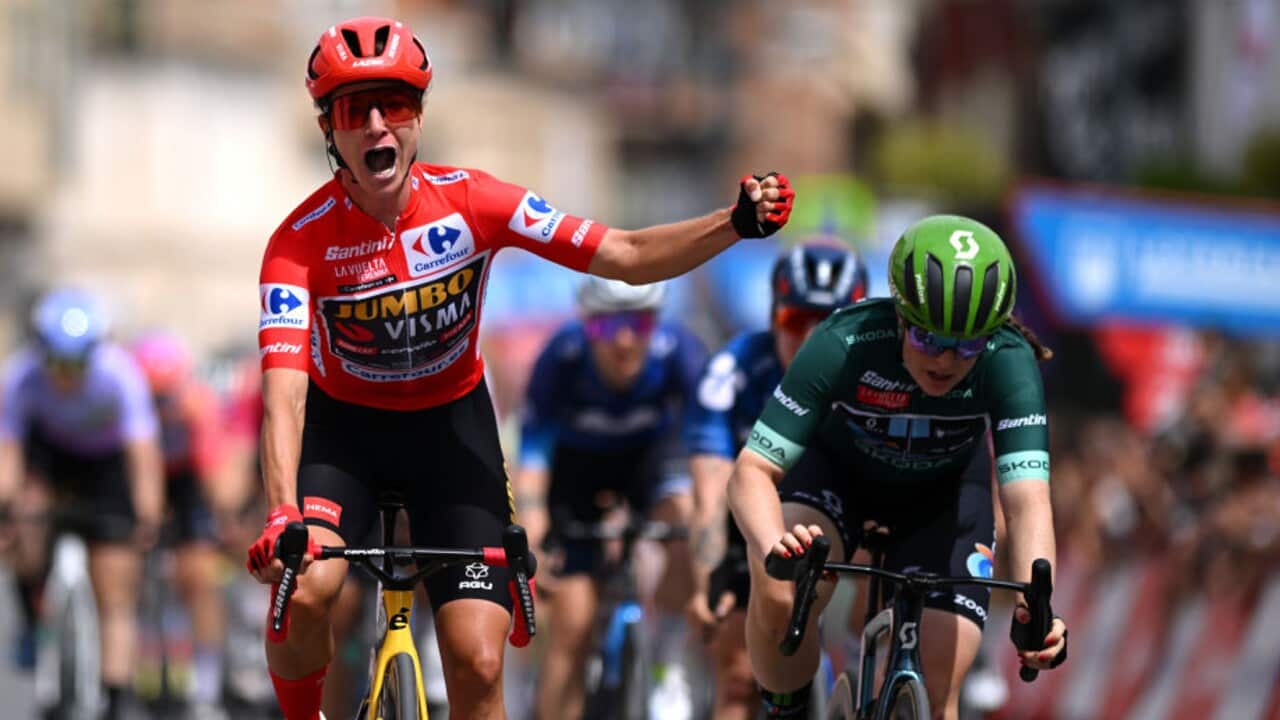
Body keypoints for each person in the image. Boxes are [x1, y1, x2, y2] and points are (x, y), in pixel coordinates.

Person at [244, 16, 793, 720]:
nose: (379, 126)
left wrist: (734, 223)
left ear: (419, 117)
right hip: (342, 437)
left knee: (477, 660)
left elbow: (624, 255)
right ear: (329, 129)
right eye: (356, 111)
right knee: (307, 590)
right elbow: (285, 395)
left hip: (450, 435)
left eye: (396, 105)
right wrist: (281, 511)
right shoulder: (297, 244)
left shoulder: (475, 202)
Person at [726, 216, 1068, 720]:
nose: (945, 361)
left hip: (944, 497)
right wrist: (770, 543)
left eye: (967, 345)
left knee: (940, 683)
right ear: (901, 316)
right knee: (783, 593)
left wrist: (1036, 604)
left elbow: (1027, 501)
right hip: (838, 478)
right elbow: (751, 472)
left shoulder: (1009, 361)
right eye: (929, 339)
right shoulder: (845, 340)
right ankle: (788, 712)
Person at [685, 241, 867, 719]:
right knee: (738, 678)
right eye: (795, 319)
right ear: (772, 316)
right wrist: (705, 581)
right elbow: (711, 490)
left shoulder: (878, 372)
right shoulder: (732, 371)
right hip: (756, 529)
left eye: (829, 322)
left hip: (850, 514)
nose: (810, 337)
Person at [514, 277, 704, 720]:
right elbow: (533, 450)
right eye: (607, 327)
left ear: (656, 323)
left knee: (684, 522)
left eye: (639, 324)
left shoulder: (681, 352)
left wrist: (702, 522)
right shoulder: (562, 355)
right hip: (576, 472)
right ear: (587, 325)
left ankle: (667, 658)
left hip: (650, 462)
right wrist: (534, 520)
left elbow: (705, 450)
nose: (624, 341)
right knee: (573, 624)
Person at [0, 288, 165, 720]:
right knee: (26, 514)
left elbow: (142, 453)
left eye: (76, 364)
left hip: (106, 464)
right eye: (56, 363)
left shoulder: (121, 375)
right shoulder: (19, 377)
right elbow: (9, 451)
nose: (65, 375)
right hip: (50, 459)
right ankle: (32, 609)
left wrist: (147, 515)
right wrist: (7, 512)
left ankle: (115, 693)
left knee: (115, 583)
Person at [131, 331, 238, 718]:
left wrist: (221, 520)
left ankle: (206, 681)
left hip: (189, 482)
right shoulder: (129, 404)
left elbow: (212, 471)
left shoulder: (198, 405)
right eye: (152, 399)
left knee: (198, 578)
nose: (160, 408)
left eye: (166, 398)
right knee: (129, 569)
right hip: (142, 476)